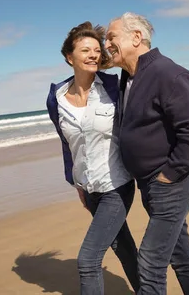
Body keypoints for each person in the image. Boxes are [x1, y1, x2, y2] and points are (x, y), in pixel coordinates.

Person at [105, 12, 189, 294]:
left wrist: (167, 177)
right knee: (180, 256)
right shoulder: (128, 77)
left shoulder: (169, 74)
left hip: (173, 182)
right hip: (150, 184)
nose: (106, 44)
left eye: (111, 37)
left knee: (150, 263)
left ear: (136, 37)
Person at [46, 22, 140, 294]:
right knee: (124, 249)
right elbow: (67, 144)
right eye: (85, 50)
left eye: (97, 50)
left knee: (88, 260)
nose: (93, 55)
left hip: (117, 184)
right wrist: (76, 182)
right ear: (69, 57)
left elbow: (140, 122)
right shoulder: (56, 97)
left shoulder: (114, 86)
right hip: (90, 190)